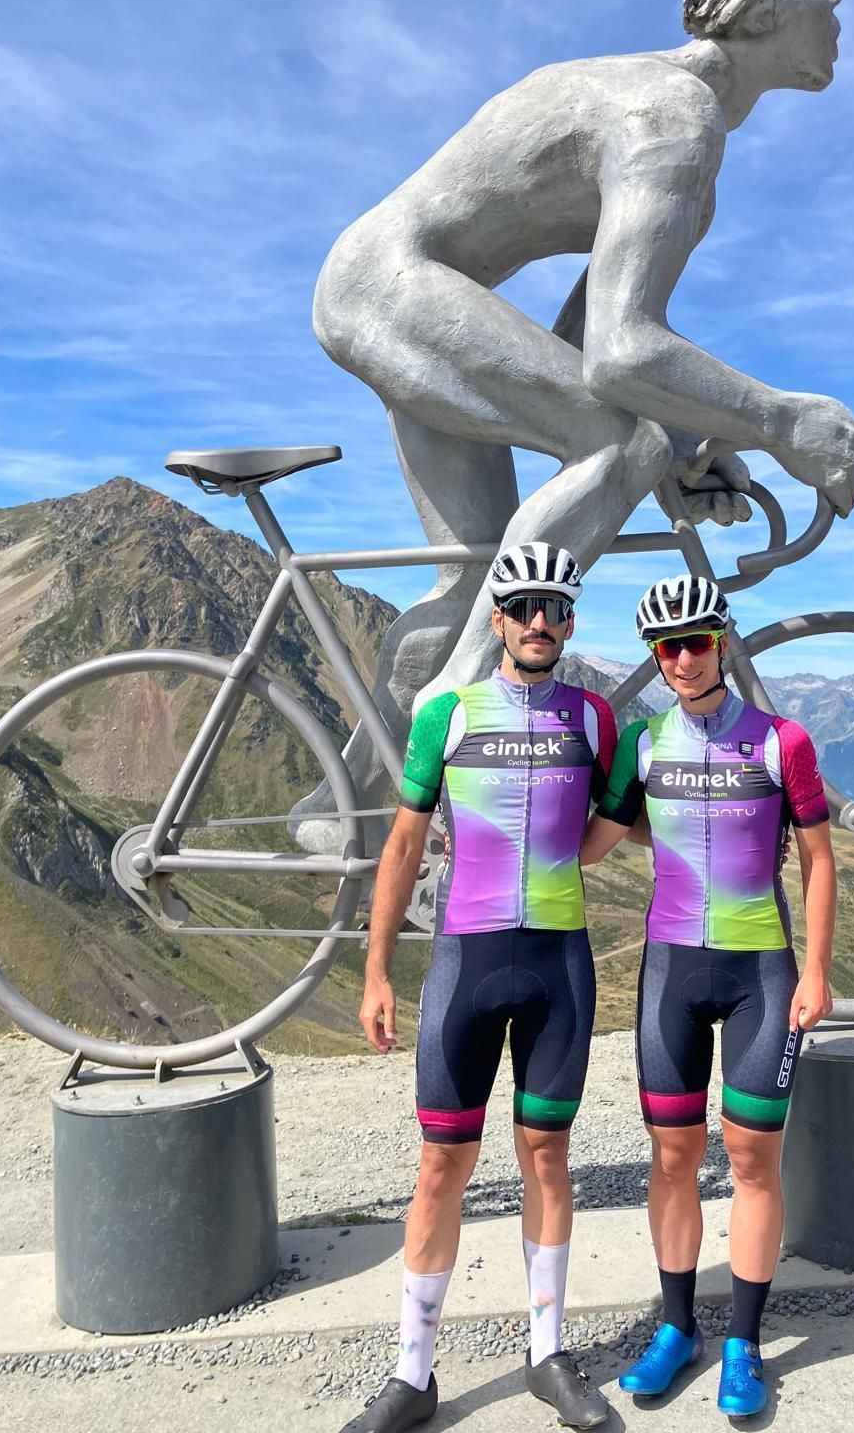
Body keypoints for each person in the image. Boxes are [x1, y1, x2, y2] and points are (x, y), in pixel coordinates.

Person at [293, 0, 854, 848]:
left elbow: (576, 350)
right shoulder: (674, 116)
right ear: (762, 10)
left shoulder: (678, 131)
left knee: (478, 575)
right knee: (620, 445)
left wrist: (688, 449)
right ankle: (461, 716)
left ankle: (339, 818)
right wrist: (781, 419)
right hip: (393, 286)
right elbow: (622, 359)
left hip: (394, 286)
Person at [352, 542, 616, 1433]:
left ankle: (547, 1354)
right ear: (498, 619)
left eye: (556, 608)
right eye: (524, 607)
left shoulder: (594, 719)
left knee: (547, 1156)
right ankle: (412, 1374)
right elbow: (402, 845)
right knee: (440, 1166)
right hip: (464, 962)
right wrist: (377, 971)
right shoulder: (447, 714)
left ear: (570, 623)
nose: (540, 621)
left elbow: (631, 813)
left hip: (558, 967)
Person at [580, 573, 837, 1417]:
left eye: (694, 642)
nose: (682, 660)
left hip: (762, 973)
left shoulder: (781, 741)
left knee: (754, 1159)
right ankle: (677, 1328)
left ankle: (745, 1344)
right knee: (672, 1159)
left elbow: (819, 862)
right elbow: (591, 844)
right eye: (666, 648)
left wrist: (817, 971)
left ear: (721, 641)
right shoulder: (644, 744)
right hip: (671, 973)